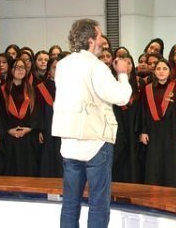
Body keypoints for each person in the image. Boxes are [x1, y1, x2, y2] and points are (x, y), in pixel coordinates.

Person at [52, 18, 131, 228]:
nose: (102, 42)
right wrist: (123, 74)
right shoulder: (96, 67)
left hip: (69, 142)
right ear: (89, 41)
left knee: (70, 203)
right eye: (99, 37)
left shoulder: (62, 65)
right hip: (95, 141)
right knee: (98, 203)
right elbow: (121, 97)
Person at [140, 59, 176, 188]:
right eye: (158, 69)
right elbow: (143, 111)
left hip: (171, 129)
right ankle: (153, 187)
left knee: (171, 159)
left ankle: (172, 187)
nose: (161, 72)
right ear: (154, 72)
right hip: (153, 130)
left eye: (164, 69)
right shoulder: (147, 89)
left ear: (170, 71)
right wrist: (143, 131)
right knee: (154, 159)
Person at [1, 58, 41, 176]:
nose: (20, 70)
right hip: (9, 137)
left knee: (28, 169)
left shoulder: (32, 90)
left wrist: (29, 128)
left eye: (22, 67)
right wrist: (8, 130)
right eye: (16, 67)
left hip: (28, 137)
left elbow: (37, 112)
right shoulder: (2, 90)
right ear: (10, 70)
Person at [111, 53, 142, 184]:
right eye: (123, 63)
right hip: (118, 125)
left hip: (133, 126)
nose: (126, 66)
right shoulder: (112, 84)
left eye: (129, 63)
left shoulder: (140, 86)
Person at [36, 56, 63, 178]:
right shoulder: (41, 88)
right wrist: (40, 129)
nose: (57, 71)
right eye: (54, 68)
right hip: (47, 130)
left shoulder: (70, 87)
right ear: (49, 70)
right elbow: (38, 111)